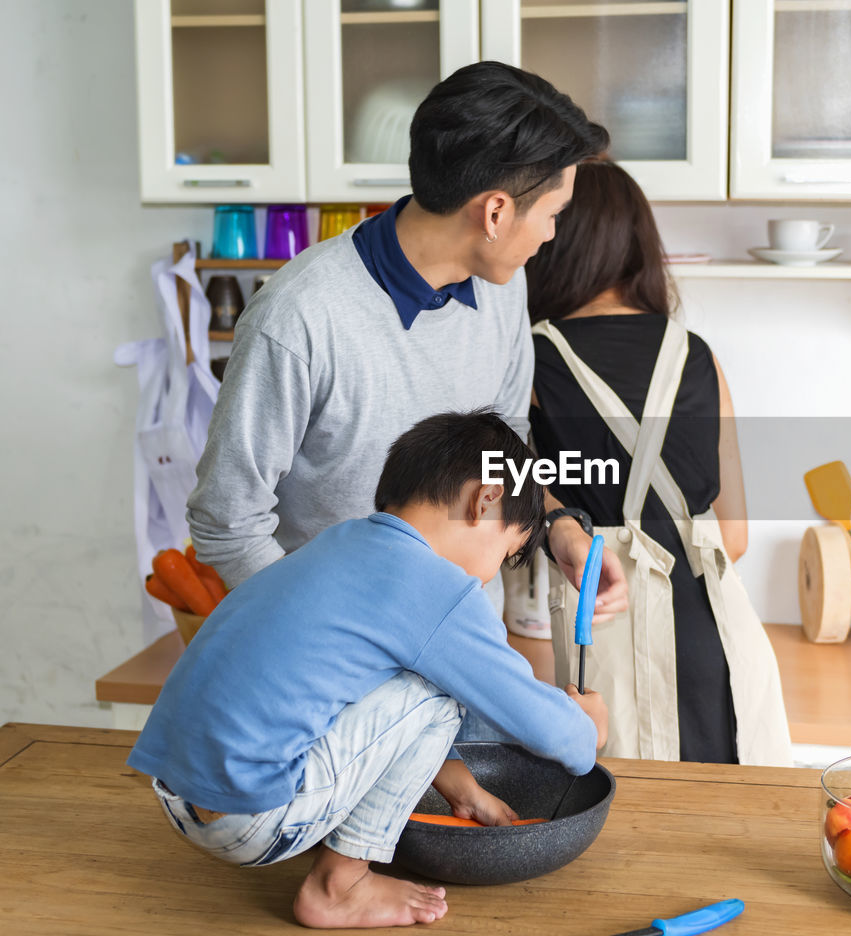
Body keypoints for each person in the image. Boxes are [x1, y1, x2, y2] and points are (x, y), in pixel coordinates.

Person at [128, 411, 609, 929]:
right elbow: (556, 734)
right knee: (438, 690)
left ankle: (330, 859)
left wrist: (463, 789)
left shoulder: (338, 545)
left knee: (385, 678)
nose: (491, 572)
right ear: (485, 498)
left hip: (179, 800)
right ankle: (341, 885)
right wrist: (587, 726)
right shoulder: (437, 588)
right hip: (254, 820)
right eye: (506, 549)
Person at [187, 61, 626, 623]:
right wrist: (324, 639)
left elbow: (504, 452)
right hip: (341, 662)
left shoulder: (504, 286)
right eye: (552, 213)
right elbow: (226, 521)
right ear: (495, 211)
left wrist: (558, 526)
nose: (551, 234)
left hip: (466, 640)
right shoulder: (298, 317)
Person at [523, 160, 791, 766]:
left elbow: (514, 491)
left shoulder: (533, 358)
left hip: (617, 642)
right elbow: (737, 537)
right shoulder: (696, 355)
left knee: (630, 838)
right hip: (725, 641)